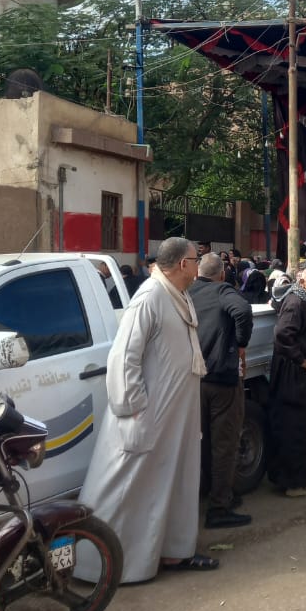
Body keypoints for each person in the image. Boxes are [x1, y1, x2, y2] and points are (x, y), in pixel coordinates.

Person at [78, 237, 213, 581]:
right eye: (196, 260)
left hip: (175, 417)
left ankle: (173, 553)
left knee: (174, 482)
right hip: (146, 415)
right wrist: (134, 409)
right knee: (127, 488)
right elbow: (124, 357)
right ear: (183, 264)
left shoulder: (178, 295)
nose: (200, 266)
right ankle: (101, 566)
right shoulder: (150, 296)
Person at [190, 252, 254, 529]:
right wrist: (241, 343)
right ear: (221, 273)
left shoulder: (186, 292)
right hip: (221, 379)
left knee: (201, 443)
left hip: (193, 380)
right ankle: (219, 507)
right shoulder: (222, 290)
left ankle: (211, 493)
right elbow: (242, 310)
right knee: (224, 444)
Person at [267, 267, 306, 497]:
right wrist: (302, 360)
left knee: (295, 426)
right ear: (302, 283)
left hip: (299, 375)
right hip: (297, 376)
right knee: (298, 427)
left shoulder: (305, 302)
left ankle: (290, 479)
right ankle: (296, 483)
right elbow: (282, 335)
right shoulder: (296, 303)